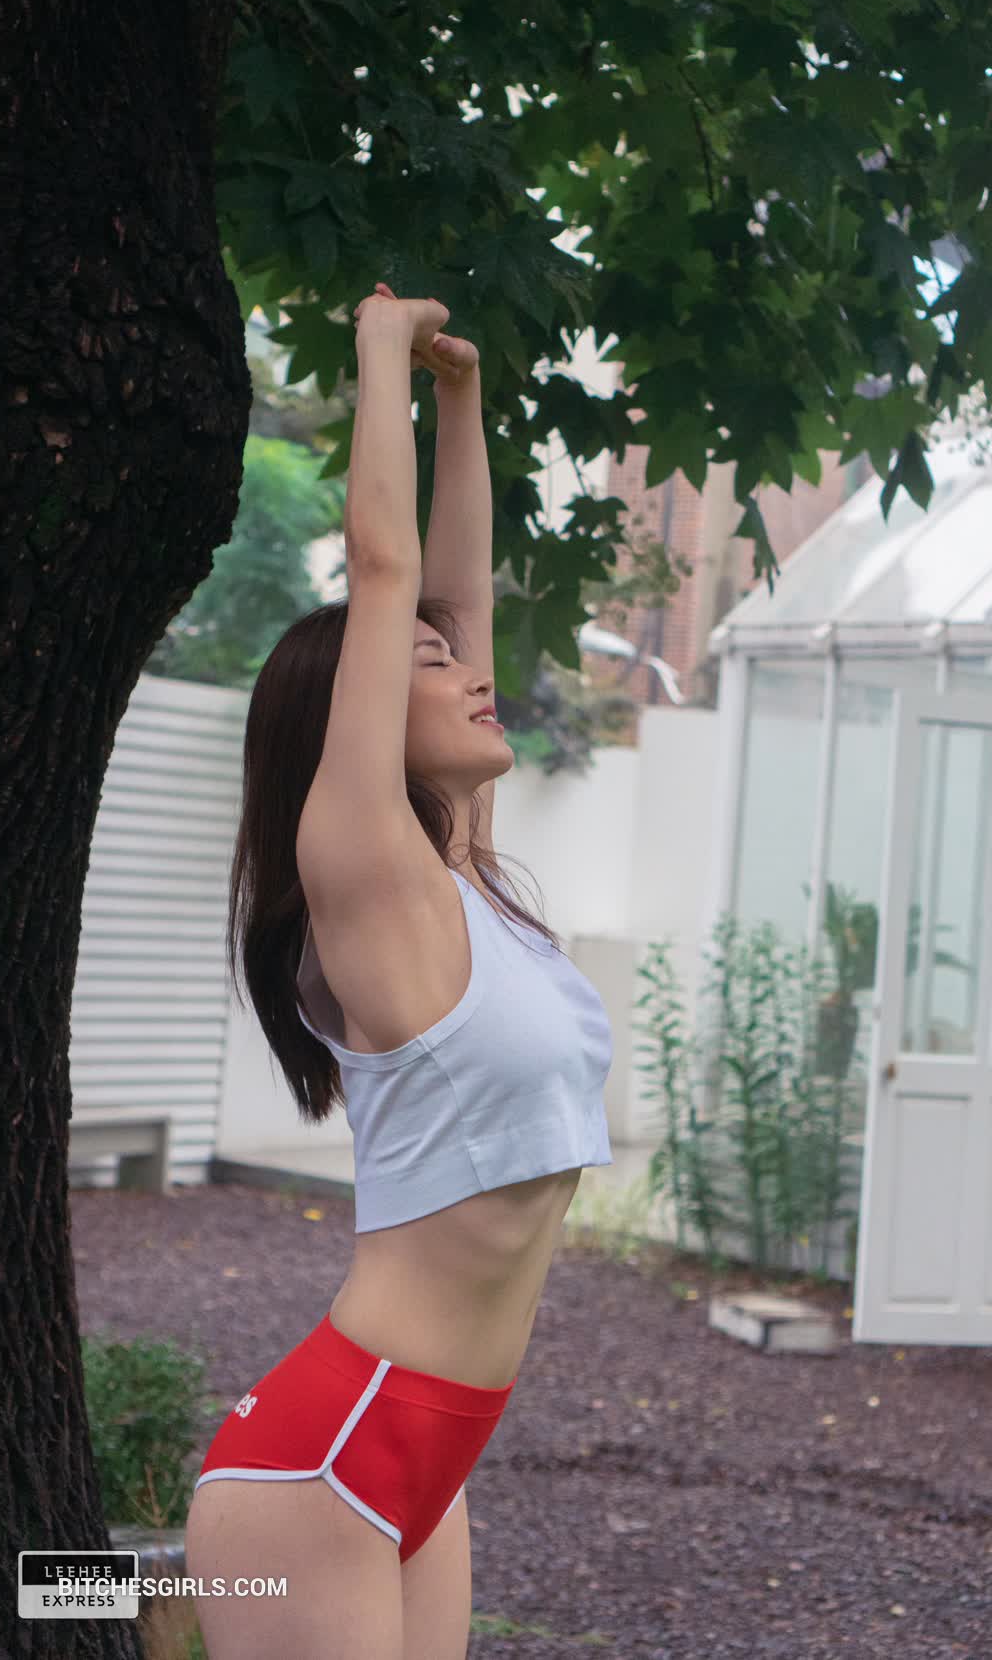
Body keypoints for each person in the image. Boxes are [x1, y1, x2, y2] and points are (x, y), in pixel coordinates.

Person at [183, 284, 615, 1659]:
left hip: (430, 1451)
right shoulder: (360, 866)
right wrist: (378, 350)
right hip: (321, 1463)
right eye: (429, 667)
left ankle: (103, 1595)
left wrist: (462, 399)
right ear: (358, 714)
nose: (476, 673)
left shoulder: (461, 877)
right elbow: (386, 576)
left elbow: (448, 596)